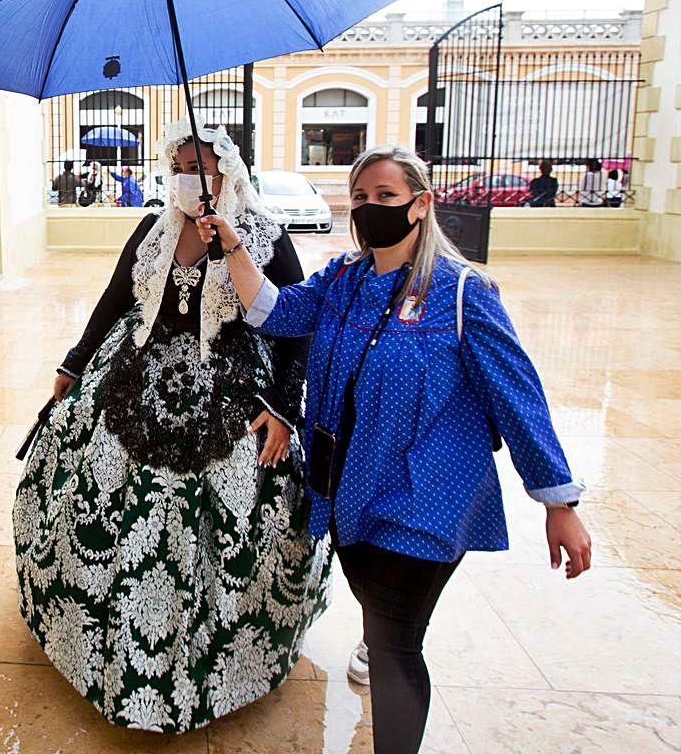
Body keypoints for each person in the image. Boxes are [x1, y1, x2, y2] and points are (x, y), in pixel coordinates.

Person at [197, 144, 590, 754]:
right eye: (360, 198)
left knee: (396, 643)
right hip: (351, 489)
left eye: (385, 196)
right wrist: (234, 248)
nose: (370, 207)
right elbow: (273, 313)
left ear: (421, 203)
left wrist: (557, 502)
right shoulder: (345, 280)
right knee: (384, 624)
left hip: (427, 495)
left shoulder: (463, 292)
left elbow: (517, 394)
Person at [13, 122, 330, 734]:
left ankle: (217, 660)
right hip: (136, 377)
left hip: (232, 390)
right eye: (181, 166)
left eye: (203, 167)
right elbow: (115, 299)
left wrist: (285, 409)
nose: (192, 178)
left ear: (229, 173)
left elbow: (298, 330)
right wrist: (74, 362)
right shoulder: (154, 226)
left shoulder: (264, 235)